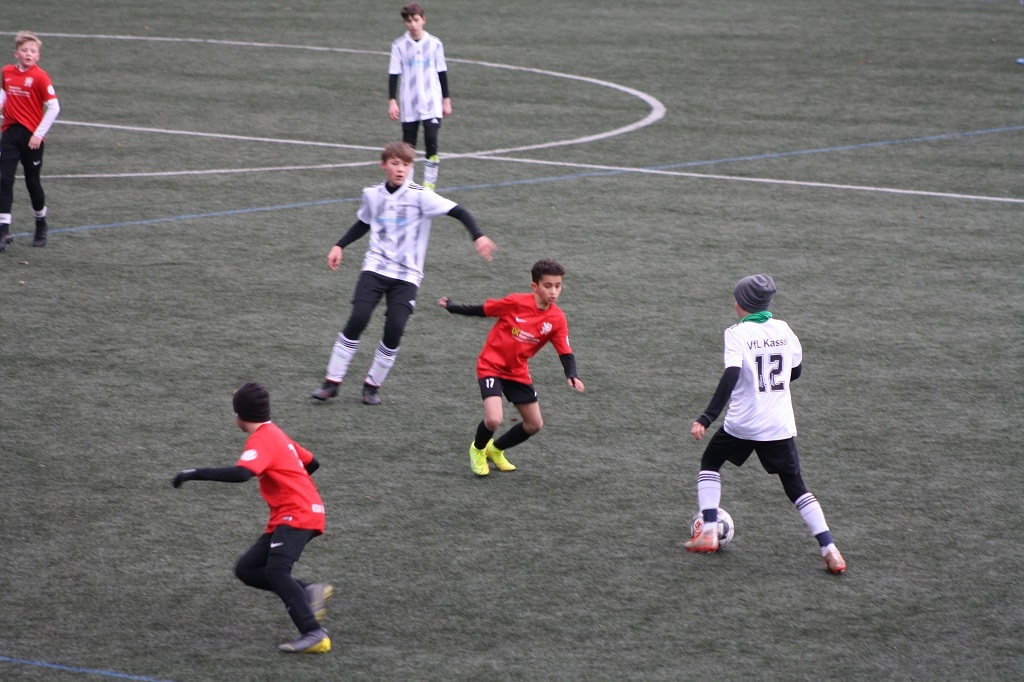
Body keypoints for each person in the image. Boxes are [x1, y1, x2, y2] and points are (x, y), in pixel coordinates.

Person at [683, 275, 847, 574]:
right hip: (778, 425)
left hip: (744, 422)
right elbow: (795, 372)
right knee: (796, 486)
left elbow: (731, 376)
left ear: (740, 303)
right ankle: (830, 549)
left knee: (710, 463)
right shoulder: (784, 329)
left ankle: (708, 530)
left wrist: (706, 417)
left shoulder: (736, 333)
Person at [312, 141, 496, 405]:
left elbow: (459, 211)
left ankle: (371, 386)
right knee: (358, 318)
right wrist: (339, 245)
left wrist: (478, 236)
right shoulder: (372, 195)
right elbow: (363, 222)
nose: (401, 169)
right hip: (375, 269)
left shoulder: (421, 196)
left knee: (395, 328)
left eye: (406, 164)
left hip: (407, 276)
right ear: (383, 165)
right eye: (395, 163)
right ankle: (331, 382)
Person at [171, 382, 335, 653]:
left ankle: (314, 633)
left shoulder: (262, 439)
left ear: (239, 415)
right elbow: (311, 463)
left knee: (277, 571)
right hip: (295, 512)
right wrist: (291, 482)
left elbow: (241, 474)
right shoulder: (275, 433)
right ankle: (308, 591)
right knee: (247, 569)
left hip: (296, 513)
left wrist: (194, 473)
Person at [439, 259, 585, 476]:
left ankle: (495, 449)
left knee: (534, 424)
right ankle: (478, 449)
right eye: (548, 286)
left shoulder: (557, 318)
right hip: (491, 366)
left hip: (517, 371)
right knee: (494, 419)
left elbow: (565, 350)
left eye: (558, 286)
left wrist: (571, 374)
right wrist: (452, 307)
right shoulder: (516, 302)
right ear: (535, 286)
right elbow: (483, 310)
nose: (554, 291)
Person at [0, 31, 60, 251]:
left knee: (32, 182)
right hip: (9, 134)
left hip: (31, 138)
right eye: (24, 50)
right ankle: (3, 230)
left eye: (32, 51)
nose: (28, 54)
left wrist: (38, 134)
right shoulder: (7, 72)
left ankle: (41, 223)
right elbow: (4, 92)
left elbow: (54, 107)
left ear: (38, 56)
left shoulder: (40, 77)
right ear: (16, 53)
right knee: (3, 179)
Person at [388, 3, 451, 190]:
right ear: (405, 23)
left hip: (432, 101)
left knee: (431, 141)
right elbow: (394, 74)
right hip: (409, 102)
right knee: (408, 146)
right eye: (409, 21)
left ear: (423, 20)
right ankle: (409, 185)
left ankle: (429, 184)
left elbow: (442, 72)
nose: (413, 24)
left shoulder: (435, 44)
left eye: (416, 20)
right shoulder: (399, 45)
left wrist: (446, 99)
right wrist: (392, 101)